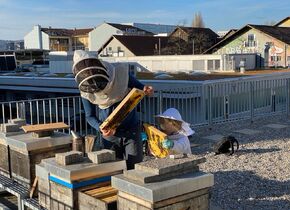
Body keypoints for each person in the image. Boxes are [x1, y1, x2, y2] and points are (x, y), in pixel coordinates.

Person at [72, 50, 153, 169]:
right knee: (113, 169)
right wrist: (101, 128)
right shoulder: (86, 90)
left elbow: (140, 87)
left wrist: (147, 89)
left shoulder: (119, 73)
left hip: (131, 130)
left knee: (134, 168)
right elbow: (89, 116)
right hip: (109, 136)